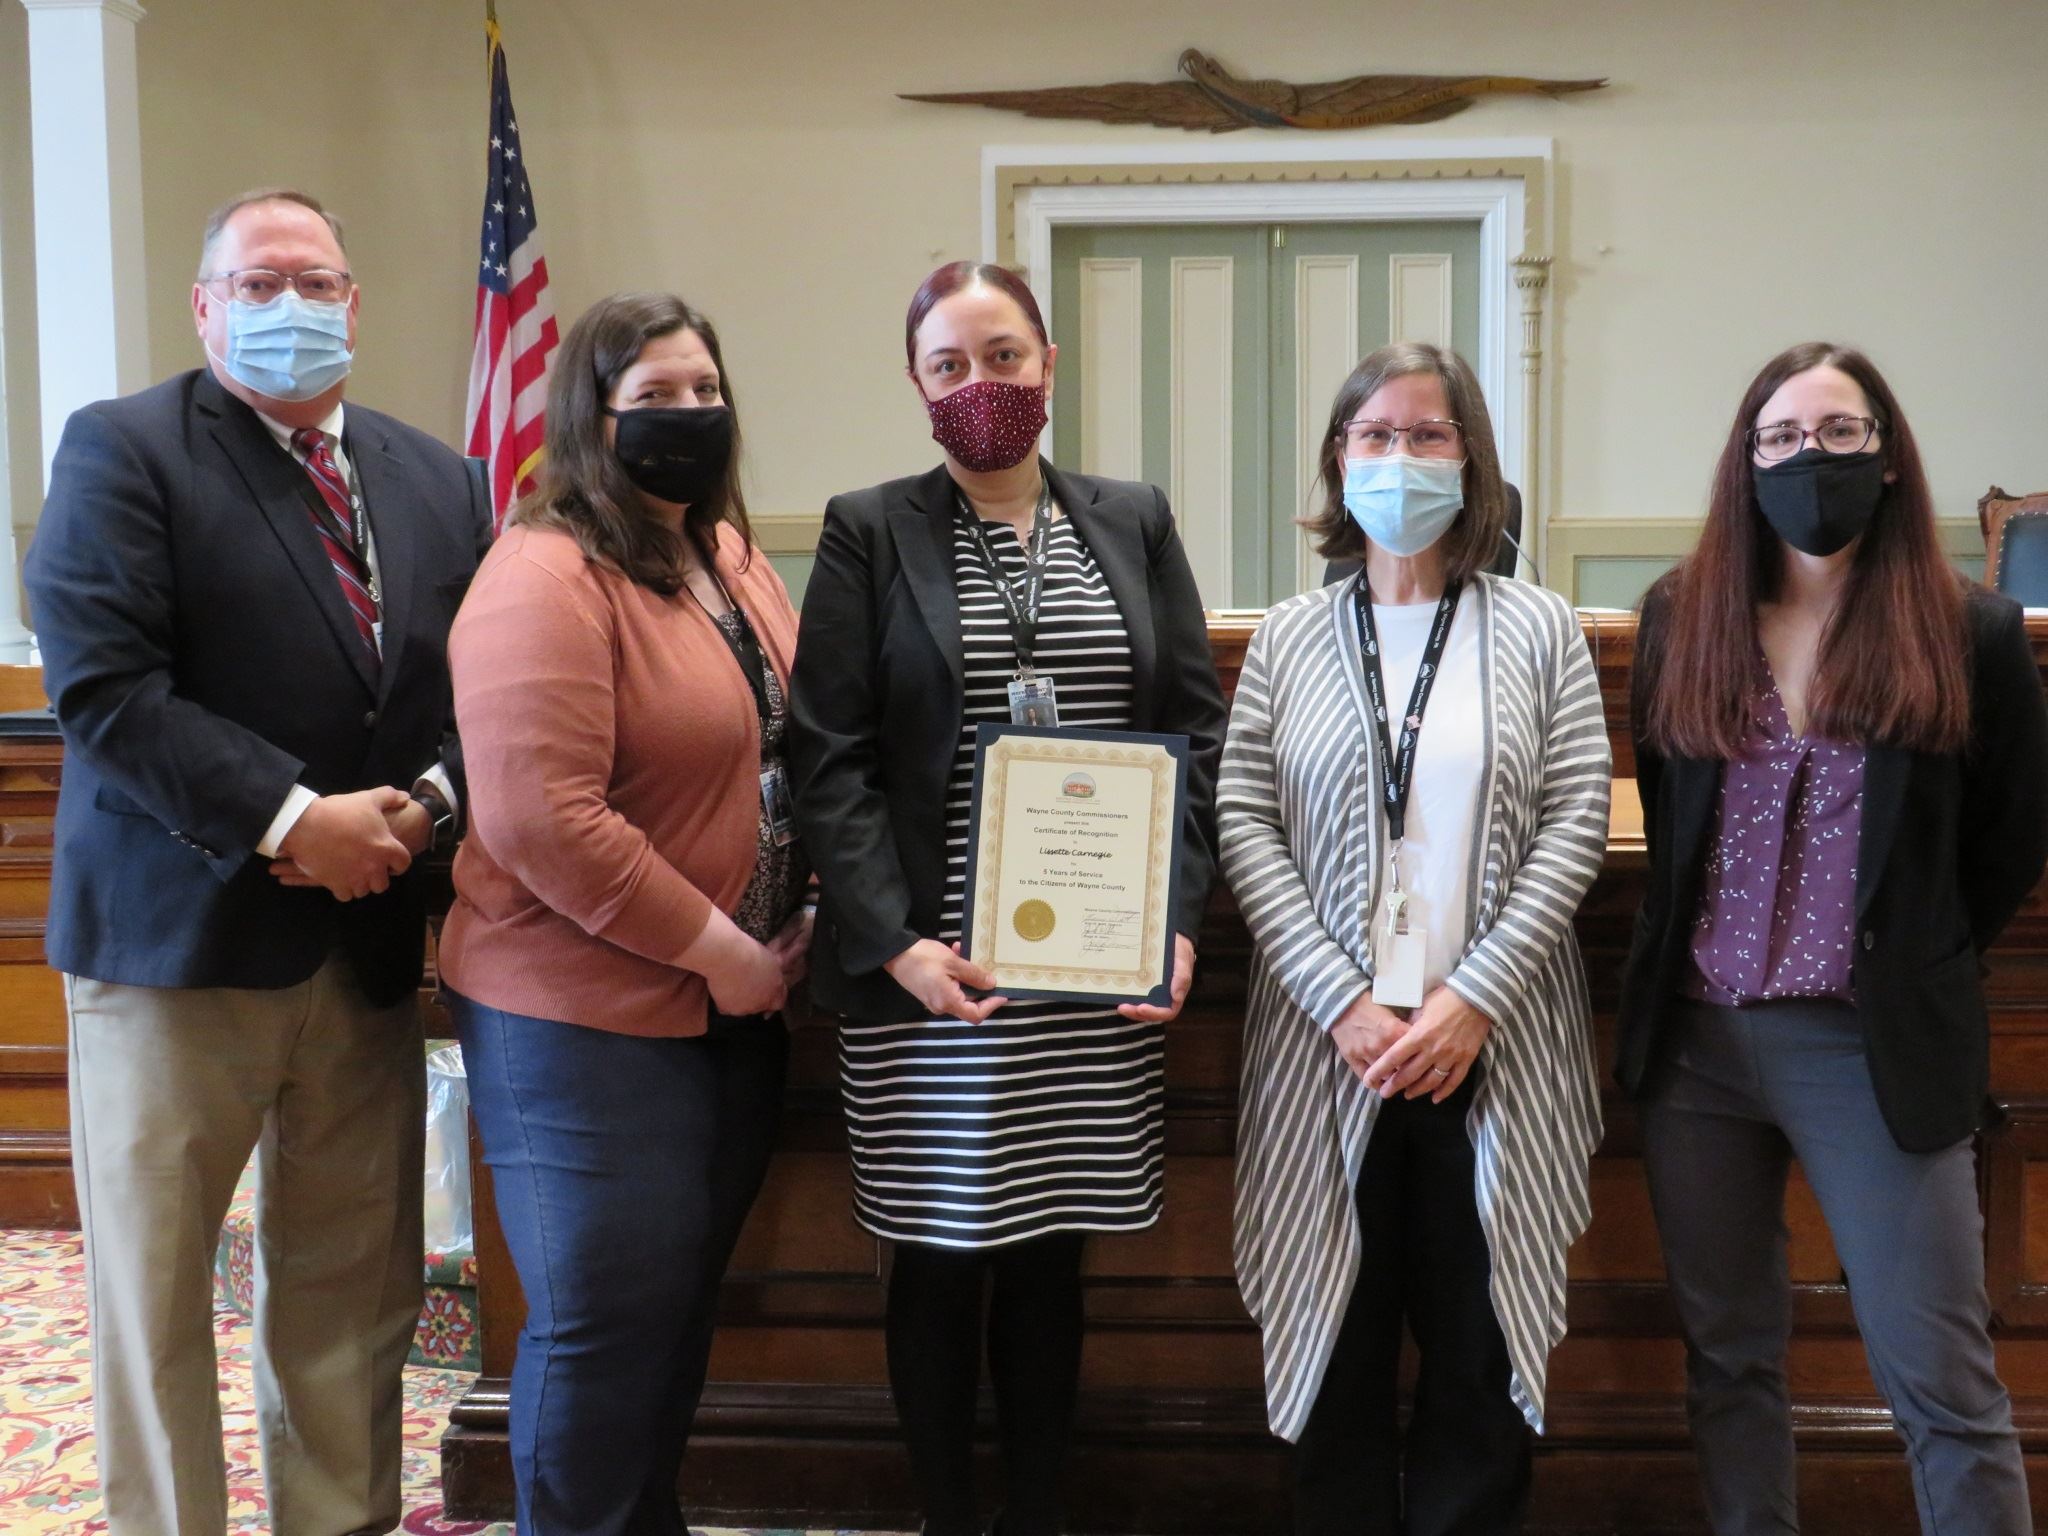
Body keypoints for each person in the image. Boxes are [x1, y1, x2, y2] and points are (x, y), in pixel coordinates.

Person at [23, 187, 491, 1536]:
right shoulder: (122, 450)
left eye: (318, 282)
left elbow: (487, 685)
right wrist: (296, 819)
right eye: (260, 282)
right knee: (157, 1296)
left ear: (355, 302)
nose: (292, 306)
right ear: (206, 305)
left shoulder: (436, 476)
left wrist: (425, 807)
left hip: (361, 951)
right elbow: (107, 690)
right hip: (176, 949)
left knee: (351, 1288)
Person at [788, 261, 1227, 1536]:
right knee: (933, 1264)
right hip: (937, 978)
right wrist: (895, 946)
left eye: (1002, 356)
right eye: (948, 364)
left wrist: (1175, 923)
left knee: (1048, 1261)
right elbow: (831, 756)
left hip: (1092, 969)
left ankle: (1035, 1512)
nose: (979, 384)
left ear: (1047, 365)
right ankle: (946, 1517)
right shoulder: (870, 527)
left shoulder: (1131, 518)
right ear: (916, 384)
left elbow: (1190, 731)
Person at [1617, 342, 2048, 1536]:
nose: (1810, 458)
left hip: (1869, 1049)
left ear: (1888, 454)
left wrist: (1908, 956)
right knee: (1729, 1363)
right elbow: (1669, 815)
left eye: (1838, 433)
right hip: (1698, 1052)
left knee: (1939, 1381)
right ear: (1744, 464)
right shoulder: (1679, 616)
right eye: (1781, 438)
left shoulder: (1968, 631)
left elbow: (2006, 841)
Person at [1221, 341, 1610, 1534]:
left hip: (1489, 1047)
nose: (1398, 457)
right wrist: (1338, 997)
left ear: (1470, 458)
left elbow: (1577, 814)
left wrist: (1473, 996)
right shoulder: (1288, 638)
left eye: (1426, 435)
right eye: (1373, 436)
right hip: (1325, 1047)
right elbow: (1241, 812)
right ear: (1338, 462)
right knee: (1333, 1339)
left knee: (1477, 1343)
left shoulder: (1541, 630)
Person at [438, 291, 806, 1536]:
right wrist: (725, 952)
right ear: (591, 420)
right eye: (654, 397)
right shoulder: (542, 573)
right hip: (582, 1017)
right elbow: (545, 820)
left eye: (704, 391)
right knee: (603, 1322)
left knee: (673, 1311)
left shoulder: (727, 555)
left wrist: (786, 929)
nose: (688, 416)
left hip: (730, 1010)